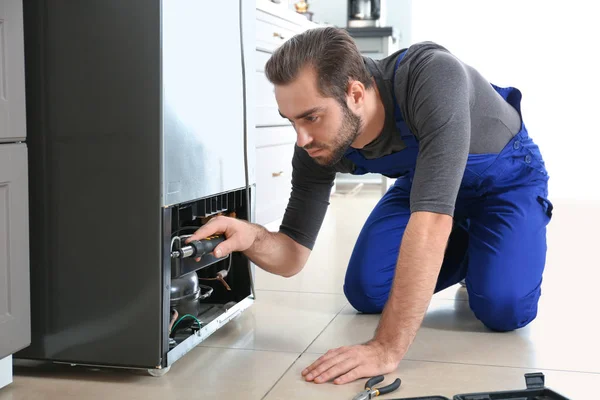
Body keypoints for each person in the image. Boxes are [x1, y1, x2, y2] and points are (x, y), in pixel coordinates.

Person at [187, 27, 553, 385]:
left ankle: (491, 255)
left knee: (504, 308)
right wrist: (250, 236)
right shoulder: (314, 146)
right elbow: (291, 256)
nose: (301, 139)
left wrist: (386, 347)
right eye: (292, 121)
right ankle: (474, 251)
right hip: (428, 190)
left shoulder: (431, 76)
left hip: (506, 182)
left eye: (311, 117)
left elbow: (430, 223)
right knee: (368, 291)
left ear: (355, 93)